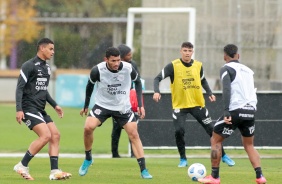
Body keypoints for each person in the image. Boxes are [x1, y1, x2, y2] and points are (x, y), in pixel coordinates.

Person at [153, 42, 235, 168]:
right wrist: (157, 91)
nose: (187, 53)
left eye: (189, 51)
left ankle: (223, 155)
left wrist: (209, 93)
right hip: (180, 106)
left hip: (197, 104)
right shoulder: (173, 66)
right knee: (179, 131)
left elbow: (202, 80)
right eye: (185, 50)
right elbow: (157, 78)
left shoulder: (198, 65)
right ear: (181, 51)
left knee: (212, 131)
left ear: (192, 52)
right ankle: (183, 159)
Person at [78, 47, 152, 179]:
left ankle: (144, 170)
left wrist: (140, 105)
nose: (116, 63)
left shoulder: (128, 68)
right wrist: (85, 105)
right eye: (113, 61)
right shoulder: (97, 70)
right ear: (106, 59)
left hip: (122, 106)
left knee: (134, 134)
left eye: (118, 60)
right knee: (88, 127)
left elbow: (138, 82)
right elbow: (89, 86)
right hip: (103, 105)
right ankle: (88, 158)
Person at [198, 44, 267, 184]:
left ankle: (214, 176)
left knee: (215, 140)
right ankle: (260, 176)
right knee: (249, 145)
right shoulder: (248, 71)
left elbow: (227, 89)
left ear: (225, 56)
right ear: (238, 55)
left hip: (235, 109)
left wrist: (226, 110)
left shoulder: (226, 68)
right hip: (250, 111)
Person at [14, 38, 72, 180]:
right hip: (28, 108)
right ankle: (22, 165)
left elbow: (43, 90)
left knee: (55, 135)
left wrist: (55, 105)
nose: (53, 52)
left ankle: (54, 172)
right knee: (45, 135)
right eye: (51, 49)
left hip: (40, 109)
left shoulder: (46, 68)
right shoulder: (29, 65)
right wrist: (19, 109)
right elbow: (19, 87)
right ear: (42, 48)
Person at [111, 44, 142, 158]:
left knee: (132, 128)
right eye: (129, 54)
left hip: (130, 100)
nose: (131, 56)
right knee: (116, 129)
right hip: (117, 100)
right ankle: (115, 153)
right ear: (123, 56)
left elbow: (138, 80)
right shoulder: (114, 66)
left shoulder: (132, 65)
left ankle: (134, 153)